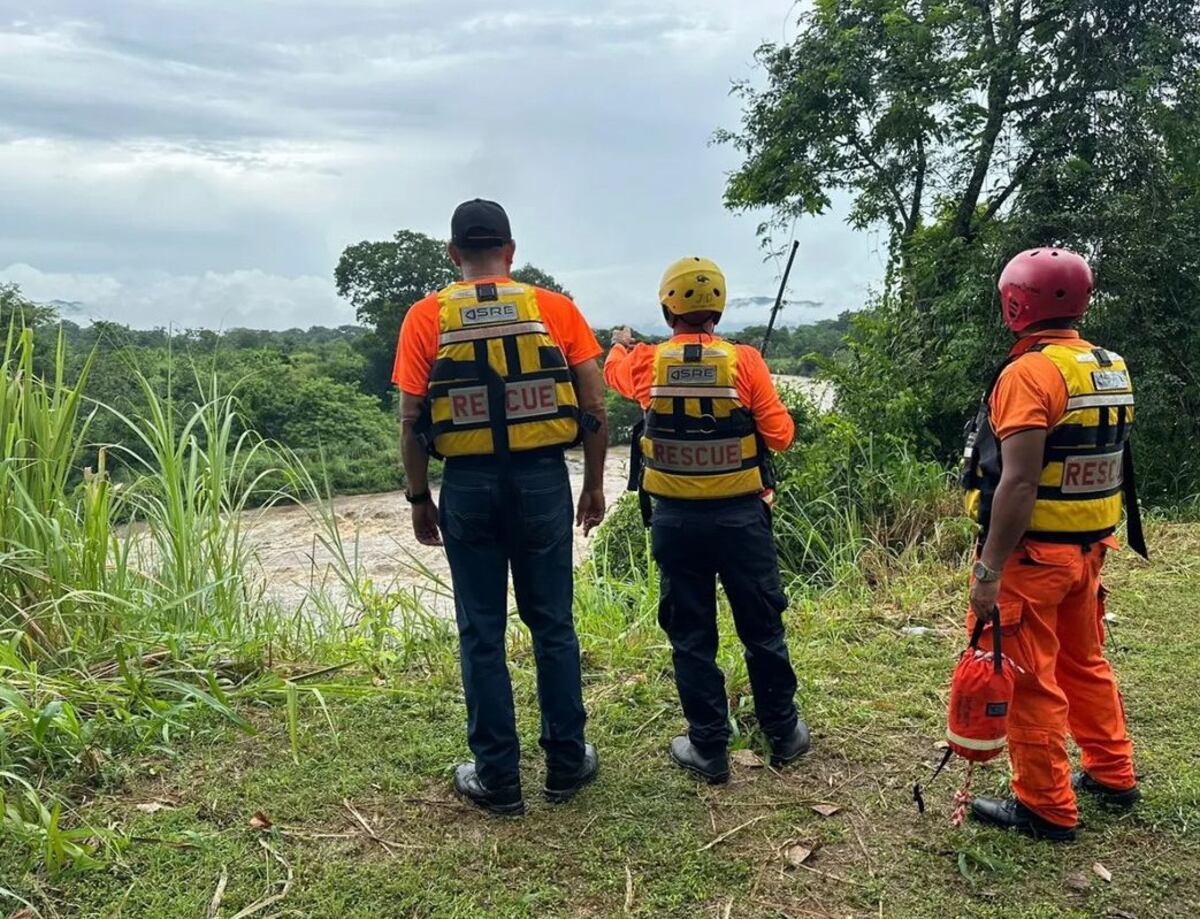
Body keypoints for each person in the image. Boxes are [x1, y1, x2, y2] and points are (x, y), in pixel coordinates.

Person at [393, 199, 608, 816]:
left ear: (453, 254)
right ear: (511, 252)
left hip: (469, 483)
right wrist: (593, 484)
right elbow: (593, 408)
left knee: (481, 632)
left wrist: (419, 497)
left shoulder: (426, 316)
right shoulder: (554, 309)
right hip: (544, 480)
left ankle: (498, 779)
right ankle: (567, 765)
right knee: (554, 625)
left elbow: (411, 422)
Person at [961, 247, 1145, 841]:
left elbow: (1017, 480)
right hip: (1088, 549)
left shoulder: (1029, 373)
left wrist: (989, 569)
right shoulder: (1108, 364)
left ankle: (1045, 805)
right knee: (1084, 663)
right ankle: (1113, 773)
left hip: (1033, 557)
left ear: (1016, 303)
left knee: (1030, 677)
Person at [604, 256, 810, 784]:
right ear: (717, 306)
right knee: (762, 626)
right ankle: (783, 732)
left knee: (691, 633)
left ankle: (708, 746)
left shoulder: (646, 363)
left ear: (667, 306)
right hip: (743, 519)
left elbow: (614, 374)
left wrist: (621, 344)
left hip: (676, 523)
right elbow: (782, 436)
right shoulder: (745, 362)